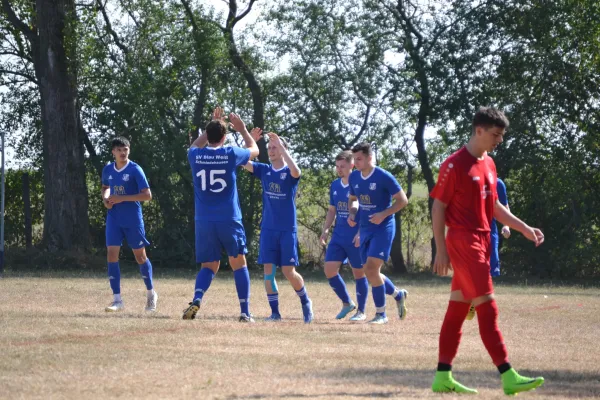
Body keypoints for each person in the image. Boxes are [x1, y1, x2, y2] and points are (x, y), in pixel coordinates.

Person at [430, 107, 545, 395]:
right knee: (487, 306)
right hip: (463, 242)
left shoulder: (490, 164)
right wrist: (440, 249)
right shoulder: (454, 165)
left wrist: (524, 228)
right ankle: (508, 375)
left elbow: (494, 207)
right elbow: (438, 206)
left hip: (483, 240)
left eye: (502, 135)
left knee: (457, 310)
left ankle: (442, 377)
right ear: (478, 130)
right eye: (496, 134)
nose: (499, 140)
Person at [182, 107, 260, 322]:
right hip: (229, 218)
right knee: (239, 263)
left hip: (204, 221)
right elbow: (254, 150)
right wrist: (243, 130)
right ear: (225, 137)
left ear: (208, 135)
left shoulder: (195, 155)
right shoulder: (231, 153)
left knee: (209, 266)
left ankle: (196, 300)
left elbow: (194, 145)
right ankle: (244, 312)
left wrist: (212, 125)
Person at [243, 131, 314, 323]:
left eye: (275, 147)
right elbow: (242, 161)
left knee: (288, 272)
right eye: (270, 147)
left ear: (283, 151)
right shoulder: (264, 170)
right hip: (268, 230)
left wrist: (282, 146)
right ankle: (275, 313)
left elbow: (297, 171)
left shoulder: (289, 173)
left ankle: (306, 303)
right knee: (268, 273)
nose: (271, 150)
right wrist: (249, 140)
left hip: (286, 230)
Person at [347, 142, 409, 324]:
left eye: (359, 159)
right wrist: (352, 212)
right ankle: (398, 294)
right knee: (369, 271)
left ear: (369, 158)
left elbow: (402, 200)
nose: (356, 163)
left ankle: (381, 314)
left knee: (372, 268)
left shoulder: (383, 177)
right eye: (354, 159)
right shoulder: (354, 178)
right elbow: (353, 199)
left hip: (383, 228)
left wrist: (383, 214)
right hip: (365, 228)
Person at [102, 137, 157, 312]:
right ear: (113, 152)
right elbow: (105, 187)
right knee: (111, 255)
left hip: (133, 219)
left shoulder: (135, 170)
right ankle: (117, 300)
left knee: (140, 256)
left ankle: (151, 295)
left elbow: (147, 195)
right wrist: (106, 199)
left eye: (125, 149)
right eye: (119, 150)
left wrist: (122, 198)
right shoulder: (108, 169)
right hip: (114, 218)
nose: (122, 152)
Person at [320, 150, 368, 321]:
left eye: (343, 166)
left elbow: (368, 210)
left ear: (352, 165)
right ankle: (347, 303)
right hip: (338, 236)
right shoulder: (335, 185)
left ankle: (361, 311)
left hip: (355, 236)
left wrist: (361, 233)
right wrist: (326, 229)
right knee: (329, 270)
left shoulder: (359, 185)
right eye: (337, 166)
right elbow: (332, 210)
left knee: (360, 273)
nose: (339, 169)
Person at [466, 177, 510, 320]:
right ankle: (476, 301)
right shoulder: (470, 181)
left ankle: (477, 301)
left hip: (491, 231)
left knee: (489, 268)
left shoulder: (498, 184)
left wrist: (506, 225)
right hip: (472, 230)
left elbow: (504, 207)